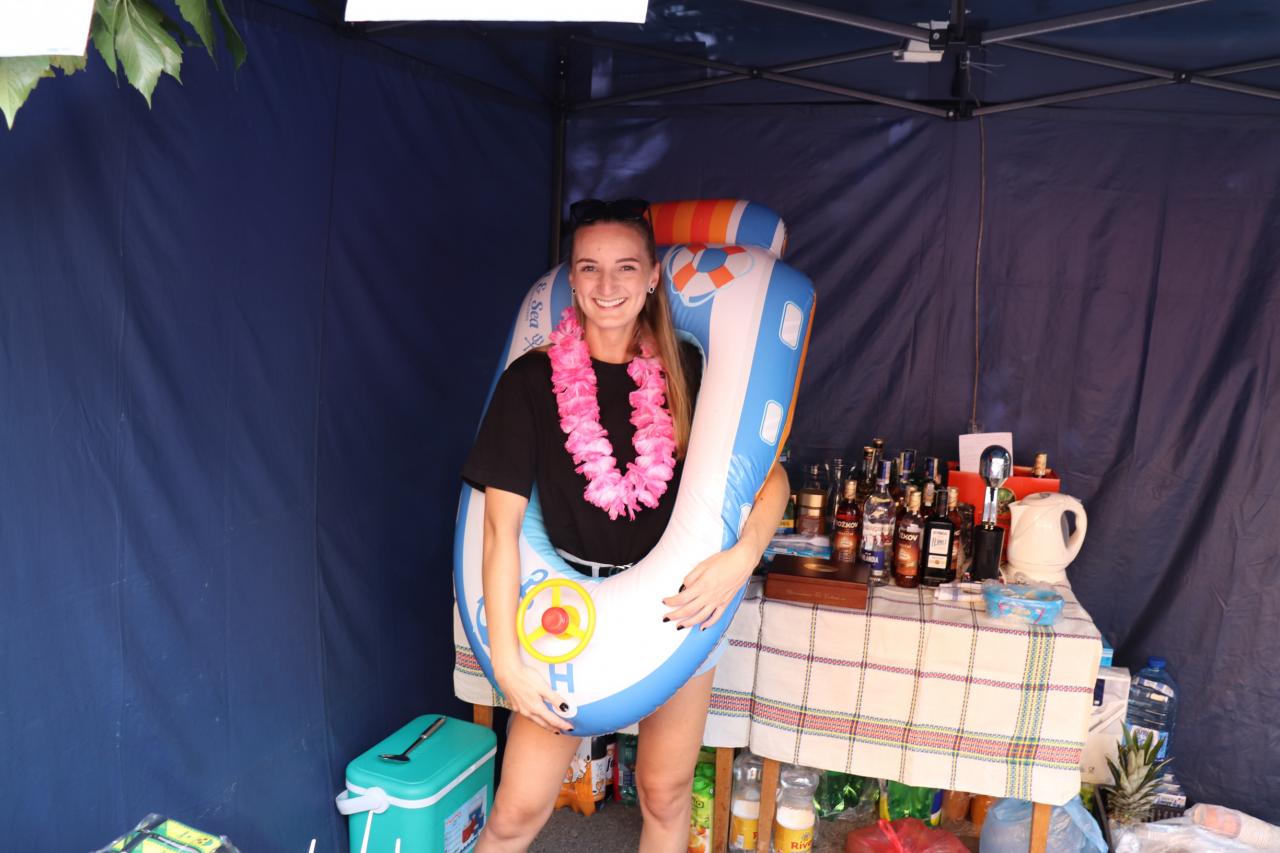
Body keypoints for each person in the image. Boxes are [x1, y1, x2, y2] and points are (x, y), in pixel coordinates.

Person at [463, 198, 789, 853]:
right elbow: (500, 531)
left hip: (676, 605)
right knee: (515, 812)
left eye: (625, 267)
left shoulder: (686, 371)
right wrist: (506, 659)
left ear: (651, 277)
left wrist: (742, 557)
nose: (607, 284)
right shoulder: (531, 381)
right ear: (573, 278)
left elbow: (770, 479)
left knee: (665, 793)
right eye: (590, 267)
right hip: (568, 609)